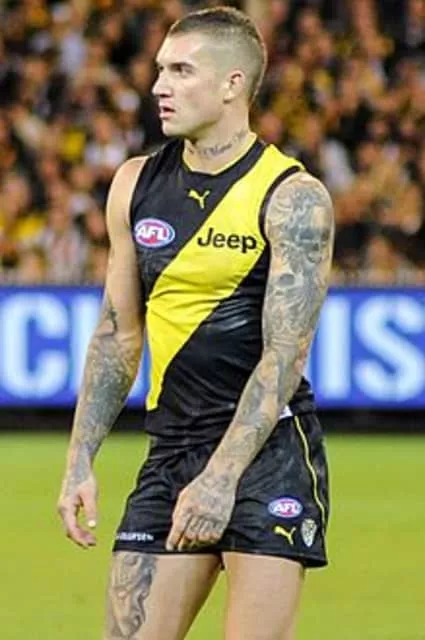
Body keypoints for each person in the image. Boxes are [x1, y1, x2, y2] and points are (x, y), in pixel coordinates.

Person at [57, 7, 334, 640]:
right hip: (172, 450)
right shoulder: (134, 184)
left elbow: (284, 356)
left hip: (267, 455)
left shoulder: (292, 198)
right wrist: (79, 461)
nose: (160, 85)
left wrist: (221, 477)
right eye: (161, 70)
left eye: (181, 71)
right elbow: (117, 335)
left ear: (233, 84)